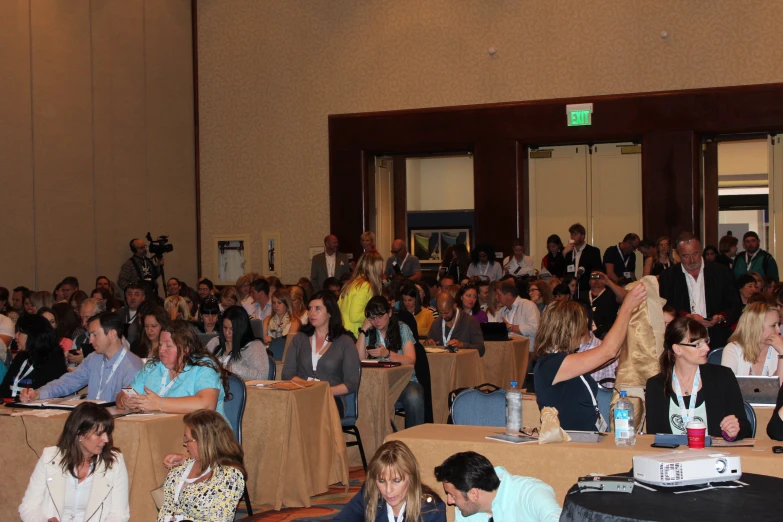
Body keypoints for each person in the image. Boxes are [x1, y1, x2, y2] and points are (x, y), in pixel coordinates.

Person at [534, 284, 647, 431]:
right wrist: (627, 307)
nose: (583, 331)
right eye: (580, 326)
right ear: (567, 329)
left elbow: (610, 355)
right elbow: (608, 351)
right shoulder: (551, 364)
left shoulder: (561, 360)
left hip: (585, 438)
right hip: (572, 443)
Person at [19, 402, 130, 522]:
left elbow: (119, 514)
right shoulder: (49, 457)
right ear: (79, 434)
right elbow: (28, 507)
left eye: (107, 433)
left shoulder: (115, 462)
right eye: (99, 434)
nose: (106, 439)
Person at [646, 317, 752, 440]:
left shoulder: (722, 377)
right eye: (697, 344)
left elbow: (745, 427)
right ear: (677, 349)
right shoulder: (656, 385)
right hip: (673, 458)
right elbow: (654, 435)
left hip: (713, 456)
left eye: (706, 341)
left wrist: (734, 430)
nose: (707, 348)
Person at [20, 312, 143, 403]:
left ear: (112, 334)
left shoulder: (132, 366)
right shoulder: (93, 358)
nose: (90, 340)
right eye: (90, 335)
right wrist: (38, 393)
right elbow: (68, 382)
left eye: (95, 335)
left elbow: (130, 405)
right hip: (91, 420)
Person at [117, 320, 229, 418]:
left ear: (186, 348)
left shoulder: (203, 366)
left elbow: (207, 405)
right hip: (161, 432)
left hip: (202, 435)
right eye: (160, 345)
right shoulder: (153, 366)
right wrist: (125, 401)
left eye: (168, 346)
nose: (161, 350)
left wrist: (159, 404)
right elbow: (123, 394)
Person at [157, 410, 246, 522]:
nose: (185, 444)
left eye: (188, 440)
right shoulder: (179, 471)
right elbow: (165, 510)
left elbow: (220, 519)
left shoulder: (229, 476)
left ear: (204, 442)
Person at [282, 291, 361, 416]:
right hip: (302, 395)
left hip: (331, 398)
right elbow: (287, 373)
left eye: (318, 309)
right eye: (310, 308)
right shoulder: (300, 338)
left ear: (330, 313)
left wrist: (322, 391)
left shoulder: (345, 342)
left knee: (308, 410)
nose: (312, 313)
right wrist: (307, 387)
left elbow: (351, 383)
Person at [658, 233, 739, 349]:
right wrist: (686, 317)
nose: (691, 260)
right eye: (685, 256)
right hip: (683, 341)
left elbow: (734, 304)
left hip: (717, 339)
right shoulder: (668, 276)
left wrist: (721, 317)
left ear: (701, 250)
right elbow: (667, 307)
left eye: (695, 254)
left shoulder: (721, 272)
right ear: (677, 254)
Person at [335, 440, 446, 522]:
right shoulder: (370, 494)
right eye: (382, 481)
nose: (388, 490)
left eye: (396, 481)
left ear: (412, 478)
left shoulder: (432, 510)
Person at [434, 451, 561, 522]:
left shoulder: (532, 493)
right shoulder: (465, 510)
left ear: (474, 493)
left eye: (452, 495)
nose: (449, 501)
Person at [357, 297, 424, 426]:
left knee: (414, 396)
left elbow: (411, 361)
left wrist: (388, 354)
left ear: (389, 313)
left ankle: (414, 438)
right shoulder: (370, 332)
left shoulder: (402, 328)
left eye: (380, 316)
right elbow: (359, 360)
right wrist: (363, 330)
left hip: (403, 381)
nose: (376, 321)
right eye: (371, 318)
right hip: (376, 383)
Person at [1, 315, 67, 399]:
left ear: (33, 335)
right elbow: (4, 389)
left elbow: (49, 394)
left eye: (20, 332)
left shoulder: (53, 360)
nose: (15, 336)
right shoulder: (21, 357)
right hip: (9, 408)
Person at [721, 302, 783, 377]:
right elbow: (727, 386)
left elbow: (780, 386)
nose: (779, 330)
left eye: (778, 324)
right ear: (756, 327)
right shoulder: (733, 350)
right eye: (773, 325)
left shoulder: (779, 348)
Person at [207, 306, 269, 381]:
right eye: (225, 327)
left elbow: (262, 376)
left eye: (232, 329)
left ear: (241, 329)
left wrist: (232, 369)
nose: (227, 333)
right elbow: (200, 364)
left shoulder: (254, 346)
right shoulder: (215, 342)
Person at [339, 251, 384, 336]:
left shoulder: (352, 283)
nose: (381, 270)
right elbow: (355, 316)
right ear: (373, 267)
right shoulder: (365, 286)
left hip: (344, 332)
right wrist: (375, 314)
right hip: (354, 334)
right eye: (380, 266)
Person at [577, 271, 626, 340]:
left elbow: (625, 298)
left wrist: (608, 282)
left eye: (600, 278)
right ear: (589, 281)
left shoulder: (611, 294)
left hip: (606, 333)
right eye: (593, 277)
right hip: (584, 333)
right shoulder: (581, 295)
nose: (596, 280)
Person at [497, 280, 540, 350]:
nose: (496, 297)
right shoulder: (501, 312)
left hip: (528, 352)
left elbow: (535, 329)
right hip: (507, 352)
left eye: (499, 294)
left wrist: (511, 327)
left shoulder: (528, 305)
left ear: (509, 295)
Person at [562, 224, 603, 294]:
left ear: (582, 236)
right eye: (571, 235)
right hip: (569, 291)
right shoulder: (568, 251)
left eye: (575, 234)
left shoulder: (593, 251)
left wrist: (590, 281)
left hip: (586, 289)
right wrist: (563, 254)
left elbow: (597, 273)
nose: (572, 237)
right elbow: (561, 271)